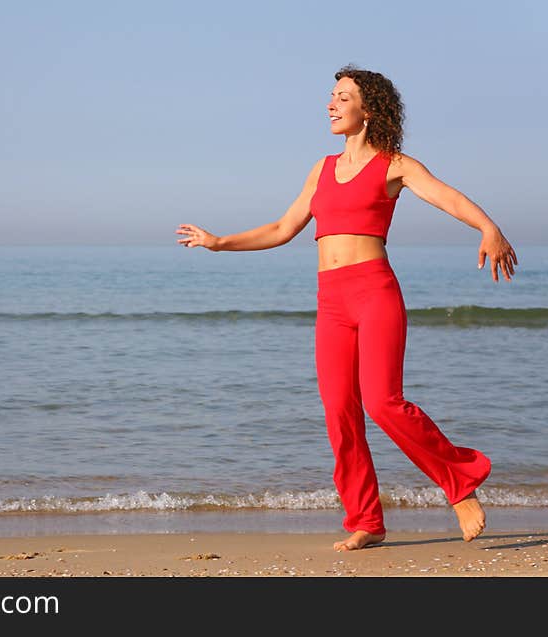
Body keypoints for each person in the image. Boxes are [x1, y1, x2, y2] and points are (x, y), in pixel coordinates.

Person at [175, 65, 518, 552]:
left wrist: (489, 228)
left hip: (375, 292)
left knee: (383, 402)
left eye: (342, 97)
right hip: (331, 301)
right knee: (339, 411)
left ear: (369, 109)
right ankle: (366, 519)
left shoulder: (395, 165)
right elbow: (280, 229)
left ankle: (460, 483)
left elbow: (446, 197)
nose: (331, 105)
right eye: (331, 97)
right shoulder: (321, 169)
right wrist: (219, 242)